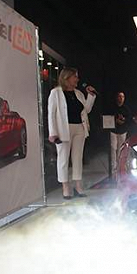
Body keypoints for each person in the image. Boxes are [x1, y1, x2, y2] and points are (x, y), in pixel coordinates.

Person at [47, 68, 96, 199]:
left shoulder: (78, 93)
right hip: (63, 129)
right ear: (67, 77)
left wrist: (91, 96)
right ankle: (65, 187)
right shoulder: (56, 93)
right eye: (75, 76)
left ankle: (78, 185)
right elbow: (51, 114)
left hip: (80, 127)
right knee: (63, 159)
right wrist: (53, 133)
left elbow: (87, 109)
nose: (77, 79)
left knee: (77, 158)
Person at [110, 91, 132, 181]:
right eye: (119, 96)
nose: (121, 98)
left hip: (122, 131)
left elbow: (129, 120)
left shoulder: (126, 109)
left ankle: (120, 169)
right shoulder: (112, 108)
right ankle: (113, 171)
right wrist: (115, 120)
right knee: (113, 149)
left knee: (120, 150)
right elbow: (108, 118)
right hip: (113, 131)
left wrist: (123, 120)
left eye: (122, 97)